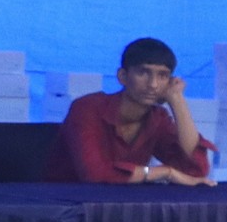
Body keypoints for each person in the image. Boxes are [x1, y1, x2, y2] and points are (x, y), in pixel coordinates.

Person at [45, 39, 214, 186]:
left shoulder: (158, 118)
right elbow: (95, 174)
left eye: (162, 76)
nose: (153, 84)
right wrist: (165, 172)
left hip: (122, 206)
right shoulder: (87, 108)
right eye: (143, 73)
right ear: (123, 76)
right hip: (63, 205)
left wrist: (177, 100)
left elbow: (196, 170)